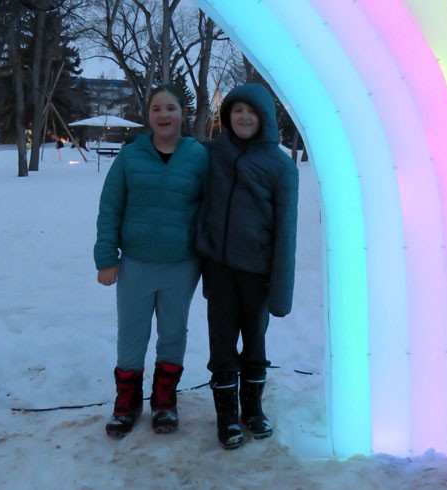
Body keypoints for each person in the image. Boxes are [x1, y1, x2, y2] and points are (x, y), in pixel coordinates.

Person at [94, 85, 209, 438]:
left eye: (170, 108)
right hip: (136, 264)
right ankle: (126, 405)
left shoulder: (198, 156)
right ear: (148, 115)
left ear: (181, 114)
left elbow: (211, 208)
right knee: (132, 334)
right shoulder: (131, 156)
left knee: (173, 333)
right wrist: (105, 258)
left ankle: (164, 402)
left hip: (182, 264)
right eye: (156, 108)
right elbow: (110, 207)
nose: (163, 115)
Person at [196, 83, 299, 449]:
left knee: (255, 342)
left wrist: (281, 290)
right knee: (221, 342)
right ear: (227, 116)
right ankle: (226, 415)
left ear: (264, 119)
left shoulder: (281, 166)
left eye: (251, 112)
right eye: (237, 110)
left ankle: (252, 409)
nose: (243, 117)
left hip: (257, 273)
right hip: (220, 267)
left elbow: (287, 232)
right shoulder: (211, 154)